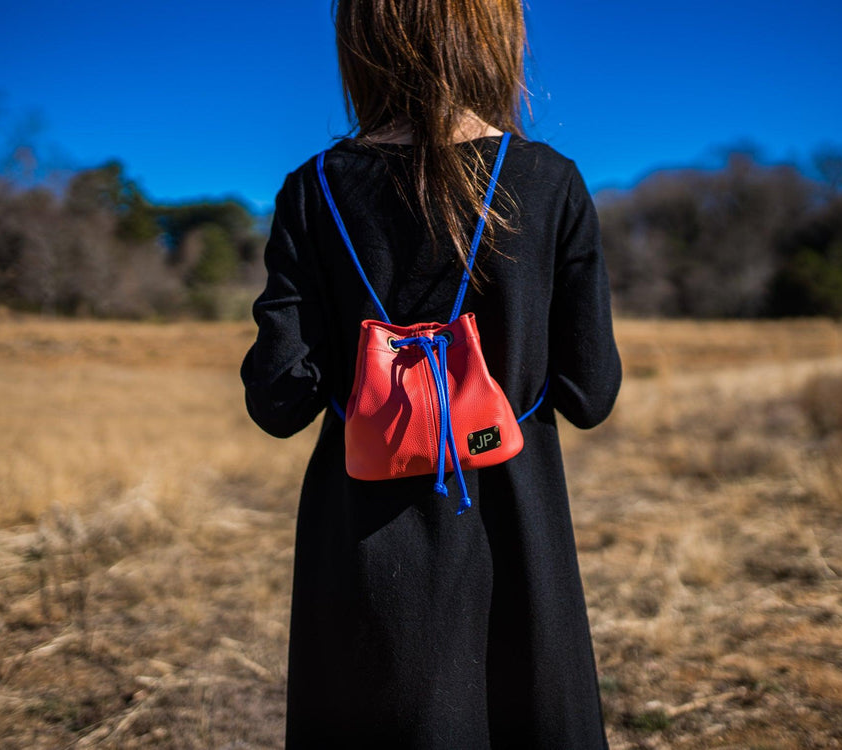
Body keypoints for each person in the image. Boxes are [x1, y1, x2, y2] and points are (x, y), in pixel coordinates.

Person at [240, 0, 622, 746]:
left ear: (364, 39)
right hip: (517, 538)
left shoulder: (312, 190)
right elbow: (589, 393)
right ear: (495, 38)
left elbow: (278, 398)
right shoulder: (550, 184)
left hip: (363, 554)